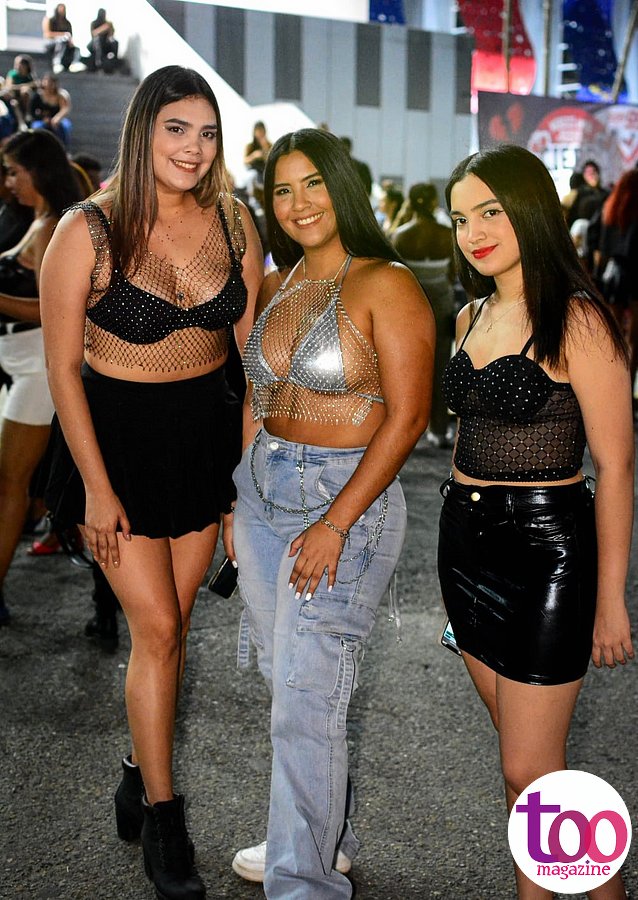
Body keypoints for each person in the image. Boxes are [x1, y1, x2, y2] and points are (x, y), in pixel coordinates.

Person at [39, 65, 263, 899]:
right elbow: (62, 371)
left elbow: (250, 366)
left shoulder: (234, 222)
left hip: (203, 445)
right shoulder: (86, 230)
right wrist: (96, 490)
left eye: (207, 133)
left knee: (176, 626)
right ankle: (167, 824)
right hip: (117, 449)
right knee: (160, 628)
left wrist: (242, 484)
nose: (193, 149)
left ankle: (138, 770)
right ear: (144, 131)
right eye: (177, 129)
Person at [230, 128, 434, 897]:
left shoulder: (387, 283)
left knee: (306, 696)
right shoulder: (276, 284)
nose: (299, 203)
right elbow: (257, 396)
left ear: (342, 186)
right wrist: (239, 496)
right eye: (282, 190)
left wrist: (337, 522)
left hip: (345, 499)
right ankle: (317, 839)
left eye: (313, 183)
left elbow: (408, 418)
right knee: (292, 690)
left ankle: (302, 880)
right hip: (263, 494)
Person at [438, 144, 634, 899]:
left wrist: (610, 599)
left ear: (530, 211)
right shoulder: (470, 315)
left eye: (491, 211)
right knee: (530, 767)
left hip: (548, 551)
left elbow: (616, 465)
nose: (474, 232)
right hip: (463, 547)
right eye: (461, 218)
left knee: (528, 766)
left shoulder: (577, 320)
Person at [0, 130, 82, 627]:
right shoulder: (39, 221)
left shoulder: (52, 227)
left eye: (15, 171)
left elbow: (56, 311)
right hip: (19, 362)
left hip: (36, 363)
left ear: (38, 171)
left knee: (10, 482)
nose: (9, 181)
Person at [392, 182, 455, 446]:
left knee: (408, 367)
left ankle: (406, 428)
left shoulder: (400, 235)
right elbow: (453, 273)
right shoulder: (447, 234)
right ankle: (438, 430)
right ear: (432, 202)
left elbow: (395, 276)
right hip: (441, 300)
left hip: (411, 303)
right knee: (441, 365)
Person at [594, 169, 638, 407]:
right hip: (634, 277)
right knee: (634, 340)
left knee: (614, 338)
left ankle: (611, 391)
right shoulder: (634, 212)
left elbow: (602, 247)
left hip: (613, 278)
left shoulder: (611, 209)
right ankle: (627, 391)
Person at [29, 73, 72, 147]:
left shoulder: (61, 95)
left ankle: (63, 148)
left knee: (65, 127)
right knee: (36, 128)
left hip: (58, 119)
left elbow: (65, 109)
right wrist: (42, 118)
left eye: (51, 83)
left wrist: (57, 118)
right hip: (42, 119)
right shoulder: (38, 96)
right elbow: (31, 111)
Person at [42, 4, 76, 73]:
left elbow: (70, 36)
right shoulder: (50, 20)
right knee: (60, 41)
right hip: (51, 42)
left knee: (73, 48)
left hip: (65, 43)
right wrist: (62, 34)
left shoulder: (67, 23)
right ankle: (57, 62)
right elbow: (47, 34)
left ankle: (71, 64)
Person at [87, 8, 119, 74]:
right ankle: (98, 62)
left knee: (115, 43)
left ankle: (114, 63)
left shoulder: (108, 24)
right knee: (98, 40)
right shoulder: (94, 23)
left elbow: (111, 34)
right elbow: (94, 34)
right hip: (95, 44)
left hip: (106, 43)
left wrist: (109, 29)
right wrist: (104, 28)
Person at [243, 120, 271, 193]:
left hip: (265, 171)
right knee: (252, 176)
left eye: (262, 131)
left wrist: (265, 148)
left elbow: (271, 159)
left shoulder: (269, 145)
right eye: (258, 131)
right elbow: (245, 161)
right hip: (254, 171)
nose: (260, 134)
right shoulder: (250, 146)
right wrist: (254, 156)